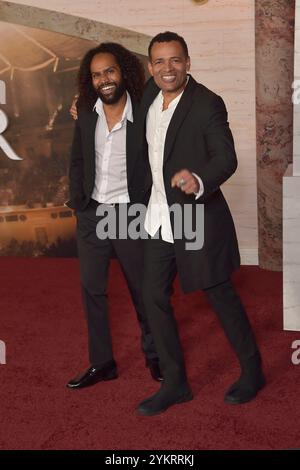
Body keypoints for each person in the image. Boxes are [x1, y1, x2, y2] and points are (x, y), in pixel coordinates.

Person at [135, 32, 265, 416]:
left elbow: (226, 158)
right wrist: (86, 106)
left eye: (175, 60)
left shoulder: (207, 103)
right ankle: (176, 384)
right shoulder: (147, 95)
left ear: (188, 62)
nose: (167, 69)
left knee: (219, 293)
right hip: (158, 215)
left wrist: (200, 179)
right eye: (159, 62)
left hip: (195, 214)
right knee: (153, 296)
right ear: (150, 67)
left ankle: (253, 370)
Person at [66, 43, 162, 389]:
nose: (104, 79)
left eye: (110, 71)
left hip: (127, 212)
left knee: (141, 290)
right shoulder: (86, 111)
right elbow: (78, 158)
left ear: (123, 72)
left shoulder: (146, 109)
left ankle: (155, 355)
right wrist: (78, 199)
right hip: (92, 211)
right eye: (96, 74)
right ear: (89, 81)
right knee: (92, 289)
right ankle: (102, 362)